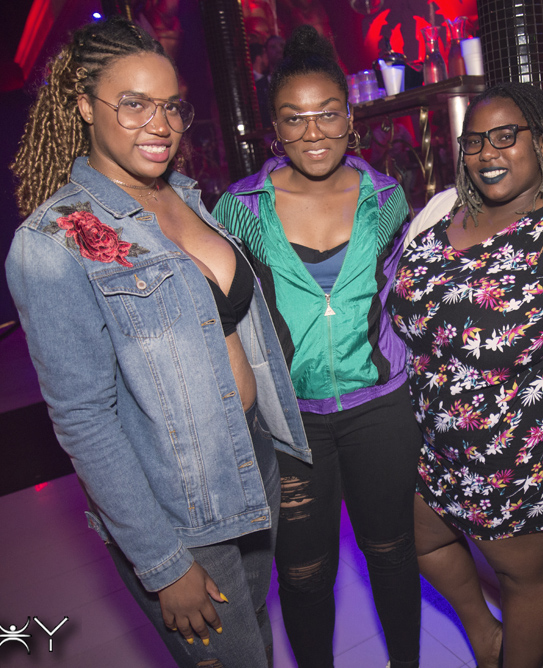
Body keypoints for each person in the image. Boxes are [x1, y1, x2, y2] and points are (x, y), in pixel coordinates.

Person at [6, 17, 309, 667]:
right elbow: (84, 418)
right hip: (180, 506)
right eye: (134, 103)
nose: (160, 124)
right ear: (84, 105)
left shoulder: (186, 197)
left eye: (171, 106)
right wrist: (163, 563)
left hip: (251, 460)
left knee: (257, 627)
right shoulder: (58, 238)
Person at [211, 25, 422, 668]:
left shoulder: (387, 198)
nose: (313, 132)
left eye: (328, 113)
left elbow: (411, 292)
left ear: (350, 118)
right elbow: (219, 313)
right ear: (274, 128)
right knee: (303, 575)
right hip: (289, 420)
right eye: (294, 117)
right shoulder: (240, 208)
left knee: (392, 553)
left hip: (381, 408)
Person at [390, 82, 543, 668]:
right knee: (419, 541)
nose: (488, 152)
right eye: (476, 141)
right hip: (436, 446)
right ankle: (486, 637)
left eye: (506, 136)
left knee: (522, 579)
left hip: (514, 455)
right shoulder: (443, 210)